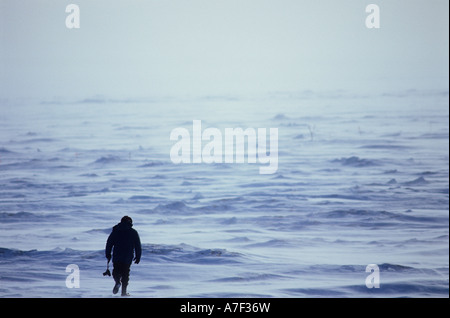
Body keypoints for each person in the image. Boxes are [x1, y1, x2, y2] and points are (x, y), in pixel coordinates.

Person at [105, 216, 142, 296]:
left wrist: (108, 254)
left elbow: (109, 243)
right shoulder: (133, 232)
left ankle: (117, 281)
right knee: (125, 274)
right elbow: (137, 245)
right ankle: (123, 292)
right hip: (127, 257)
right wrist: (138, 256)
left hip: (117, 256)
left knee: (116, 271)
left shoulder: (116, 231)